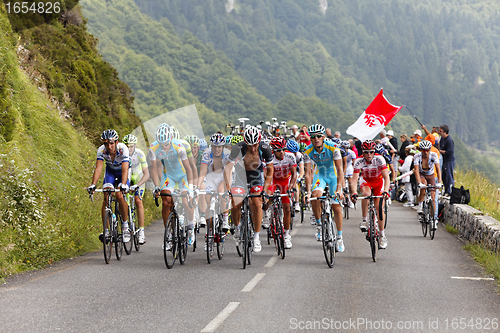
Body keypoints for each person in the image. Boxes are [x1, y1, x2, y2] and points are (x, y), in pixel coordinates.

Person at [224, 127, 273, 253]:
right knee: (235, 204)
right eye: (250, 145)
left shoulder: (264, 148)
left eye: (255, 145)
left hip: (256, 176)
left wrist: (265, 189)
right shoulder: (238, 148)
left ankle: (256, 237)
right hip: (240, 176)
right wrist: (228, 188)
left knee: (257, 203)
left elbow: (270, 170)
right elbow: (228, 168)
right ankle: (238, 227)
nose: (253, 148)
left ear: (259, 142)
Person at [149, 123, 196, 246]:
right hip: (168, 176)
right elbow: (154, 169)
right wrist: (157, 186)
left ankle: (190, 228)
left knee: (186, 202)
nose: (164, 147)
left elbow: (189, 168)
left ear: (170, 140)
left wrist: (190, 189)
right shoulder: (153, 148)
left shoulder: (179, 147)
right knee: (165, 201)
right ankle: (168, 234)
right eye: (161, 145)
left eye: (166, 144)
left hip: (182, 176)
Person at [304, 124, 345, 252]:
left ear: (323, 137)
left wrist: (339, 189)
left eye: (319, 136)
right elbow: (308, 173)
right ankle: (318, 224)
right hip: (320, 175)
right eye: (313, 137)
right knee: (316, 197)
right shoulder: (307, 151)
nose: (316, 139)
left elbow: (339, 169)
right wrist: (308, 192)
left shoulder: (333, 148)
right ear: (310, 138)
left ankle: (339, 237)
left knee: (336, 206)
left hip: (333, 175)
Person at [87, 129, 131, 243]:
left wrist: (124, 184)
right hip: (110, 172)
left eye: (111, 143)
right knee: (106, 196)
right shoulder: (101, 150)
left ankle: (125, 225)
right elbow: (99, 169)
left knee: (120, 195)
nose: (109, 146)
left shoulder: (123, 149)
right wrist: (93, 185)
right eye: (106, 143)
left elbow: (125, 169)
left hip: (123, 173)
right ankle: (106, 230)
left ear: (116, 142)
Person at [350, 140, 390, 249]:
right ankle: (364, 220)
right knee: (366, 194)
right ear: (362, 152)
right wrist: (353, 192)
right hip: (366, 181)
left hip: (378, 182)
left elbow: (386, 177)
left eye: (371, 152)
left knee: (379, 209)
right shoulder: (359, 161)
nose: (368, 154)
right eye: (366, 152)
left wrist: (386, 191)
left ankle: (382, 235)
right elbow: (354, 180)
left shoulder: (379, 159)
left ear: (374, 152)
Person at [266, 137, 297, 249]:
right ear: (273, 151)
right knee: (267, 196)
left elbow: (294, 175)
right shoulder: (269, 158)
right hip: (273, 180)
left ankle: (287, 235)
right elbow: (267, 175)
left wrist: (291, 187)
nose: (282, 152)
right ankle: (266, 213)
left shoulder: (290, 157)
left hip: (285, 181)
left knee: (287, 209)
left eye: (283, 149)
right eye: (279, 150)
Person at [198, 133, 231, 236]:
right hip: (211, 177)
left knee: (222, 192)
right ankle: (210, 232)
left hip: (223, 176)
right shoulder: (207, 154)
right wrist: (197, 186)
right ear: (211, 146)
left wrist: (227, 189)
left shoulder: (227, 154)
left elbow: (228, 173)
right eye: (214, 146)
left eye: (219, 146)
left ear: (223, 146)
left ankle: (225, 219)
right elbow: (203, 172)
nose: (217, 149)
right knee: (208, 201)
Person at [123, 134, 150, 244]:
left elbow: (146, 174)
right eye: (127, 146)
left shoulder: (139, 154)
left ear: (135, 146)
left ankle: (142, 231)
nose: (129, 149)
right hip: (128, 177)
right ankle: (126, 227)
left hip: (138, 178)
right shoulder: (121, 153)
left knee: (138, 201)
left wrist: (138, 184)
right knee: (124, 201)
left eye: (131, 146)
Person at [414, 141, 442, 230]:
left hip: (431, 175)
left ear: (429, 150)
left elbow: (438, 169)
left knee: (433, 197)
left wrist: (439, 182)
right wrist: (419, 183)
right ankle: (420, 205)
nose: (425, 152)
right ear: (421, 150)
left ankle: (433, 220)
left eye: (427, 150)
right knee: (424, 185)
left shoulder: (433, 155)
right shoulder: (417, 156)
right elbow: (416, 171)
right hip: (422, 174)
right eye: (423, 150)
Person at [438, 125, 455, 196]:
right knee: (444, 176)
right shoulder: (442, 139)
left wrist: (440, 151)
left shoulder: (449, 140)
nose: (439, 133)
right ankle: (446, 190)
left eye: (441, 131)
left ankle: (450, 192)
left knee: (448, 176)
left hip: (449, 160)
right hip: (444, 160)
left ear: (445, 132)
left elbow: (450, 151)